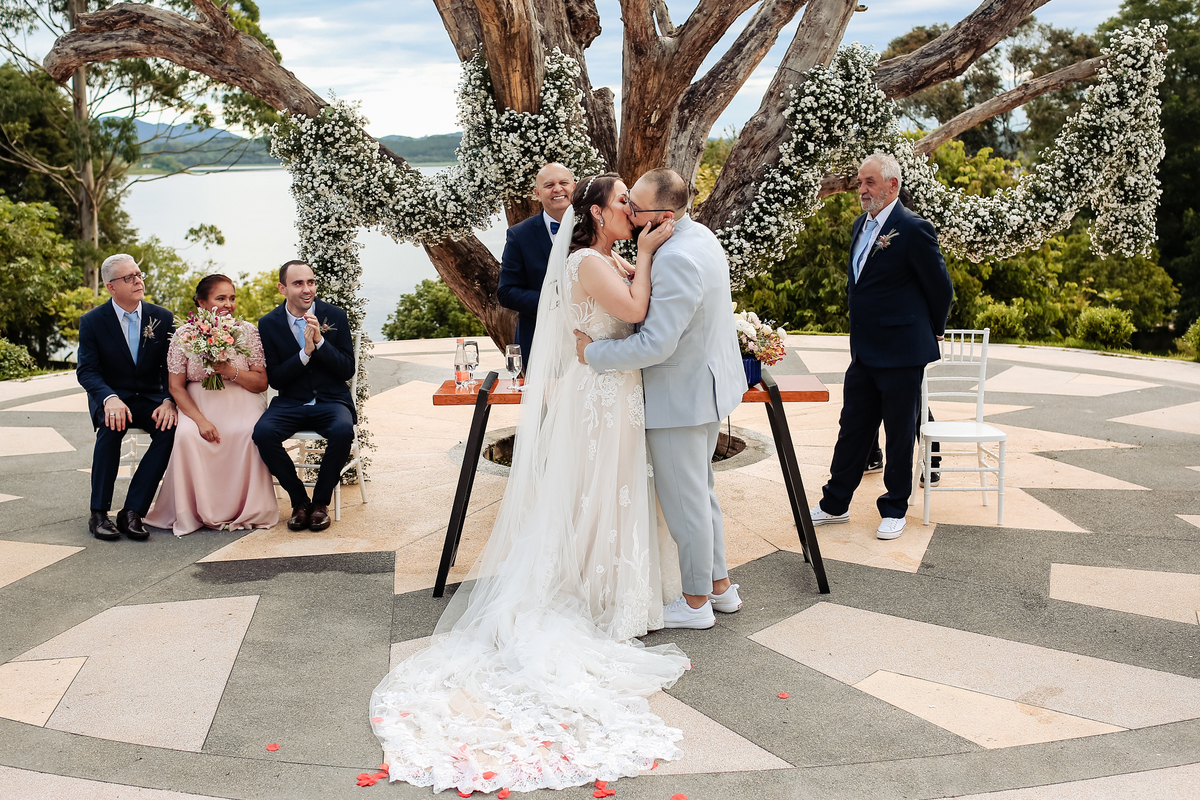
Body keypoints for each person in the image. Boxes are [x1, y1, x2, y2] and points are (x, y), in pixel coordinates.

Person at [370, 173, 688, 795]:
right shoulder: (589, 263)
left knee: (615, 491)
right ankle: (593, 593)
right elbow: (636, 312)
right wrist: (646, 258)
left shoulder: (610, 257)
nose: (632, 210)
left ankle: (616, 589)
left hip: (614, 391)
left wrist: (636, 260)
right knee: (595, 491)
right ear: (598, 213)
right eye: (623, 201)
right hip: (597, 397)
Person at [575, 168, 746, 631]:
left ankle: (694, 604)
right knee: (700, 492)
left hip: (679, 395)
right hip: (705, 387)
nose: (629, 212)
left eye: (637, 207)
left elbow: (655, 345)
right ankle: (719, 587)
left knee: (684, 502)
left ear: (664, 214)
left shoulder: (673, 258)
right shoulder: (700, 236)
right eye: (627, 203)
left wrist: (593, 352)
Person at [809, 153, 953, 540]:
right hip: (865, 350)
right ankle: (833, 504)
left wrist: (933, 330)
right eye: (859, 183)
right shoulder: (860, 226)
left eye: (869, 182)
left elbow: (941, 288)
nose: (862, 190)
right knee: (852, 427)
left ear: (893, 186)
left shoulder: (913, 228)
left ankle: (895, 507)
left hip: (903, 351)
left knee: (900, 431)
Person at [145, 275, 279, 535]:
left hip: (242, 400)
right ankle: (192, 511)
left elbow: (262, 382)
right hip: (197, 405)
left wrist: (229, 371)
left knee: (248, 432)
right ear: (201, 303)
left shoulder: (247, 331)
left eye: (232, 298)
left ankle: (247, 508)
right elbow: (176, 386)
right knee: (185, 435)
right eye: (221, 298)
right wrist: (201, 421)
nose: (229, 304)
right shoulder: (184, 335)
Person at [76, 254, 178, 541]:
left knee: (169, 428)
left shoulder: (161, 317)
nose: (138, 280)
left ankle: (133, 511)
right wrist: (108, 398)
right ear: (111, 287)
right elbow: (87, 370)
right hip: (112, 397)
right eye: (129, 277)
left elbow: (170, 367)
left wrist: (169, 400)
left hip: (149, 396)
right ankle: (98, 514)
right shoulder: (93, 321)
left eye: (139, 274)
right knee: (111, 427)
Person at [252, 260, 356, 533]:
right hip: (290, 402)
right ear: (282, 288)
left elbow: (347, 368)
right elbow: (275, 378)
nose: (307, 289)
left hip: (332, 400)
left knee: (343, 430)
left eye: (310, 282)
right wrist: (305, 353)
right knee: (263, 433)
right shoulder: (268, 324)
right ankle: (299, 501)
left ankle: (320, 504)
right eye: (298, 283)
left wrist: (321, 342)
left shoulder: (335, 315)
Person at [497, 162, 576, 367]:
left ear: (574, 187)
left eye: (563, 183)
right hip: (539, 342)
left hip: (587, 340)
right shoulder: (519, 235)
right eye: (549, 185)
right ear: (537, 193)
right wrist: (554, 301)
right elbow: (506, 292)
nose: (557, 189)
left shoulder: (594, 227)